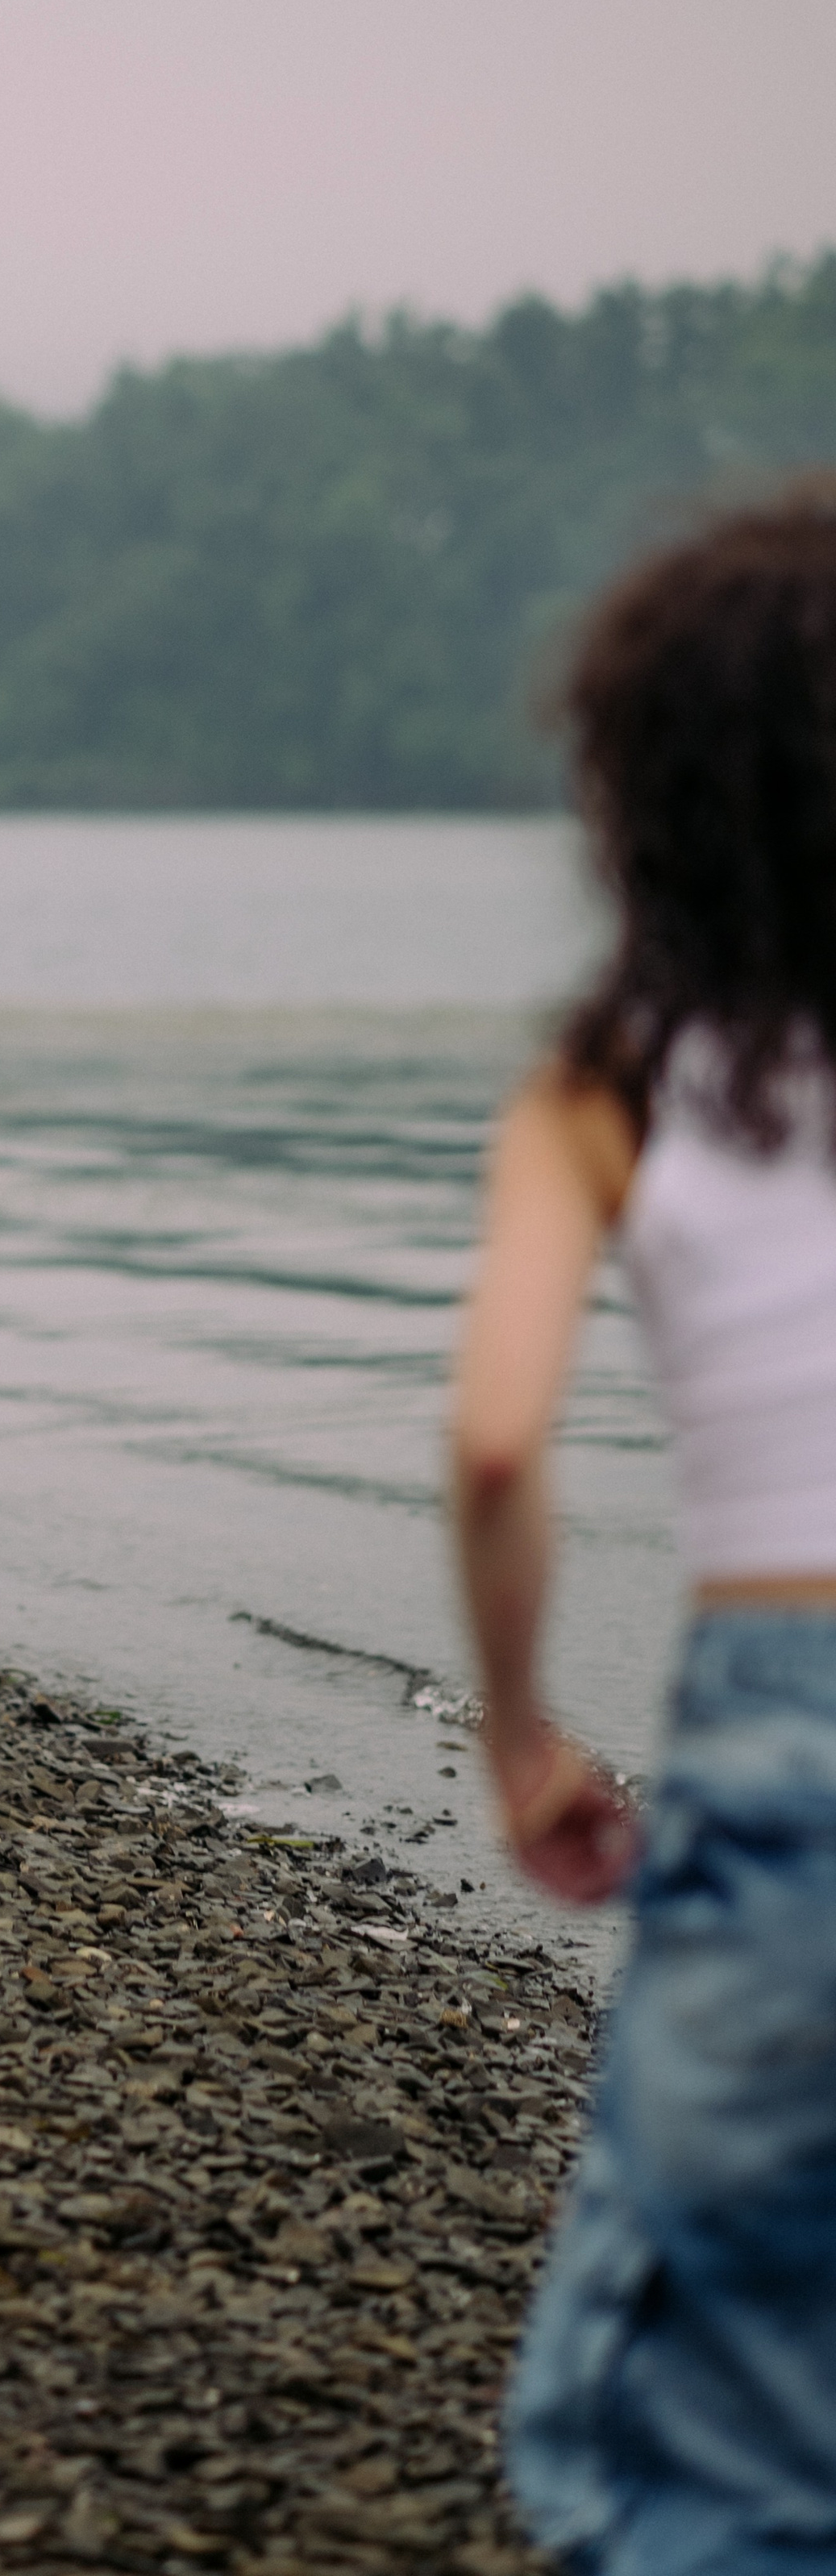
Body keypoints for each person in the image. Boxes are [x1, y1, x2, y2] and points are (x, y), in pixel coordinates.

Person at [451, 486, 836, 2574]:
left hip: (795, 1741)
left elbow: (502, 1441)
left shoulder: (612, 1075)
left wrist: (522, 1731)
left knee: (699, 2447)